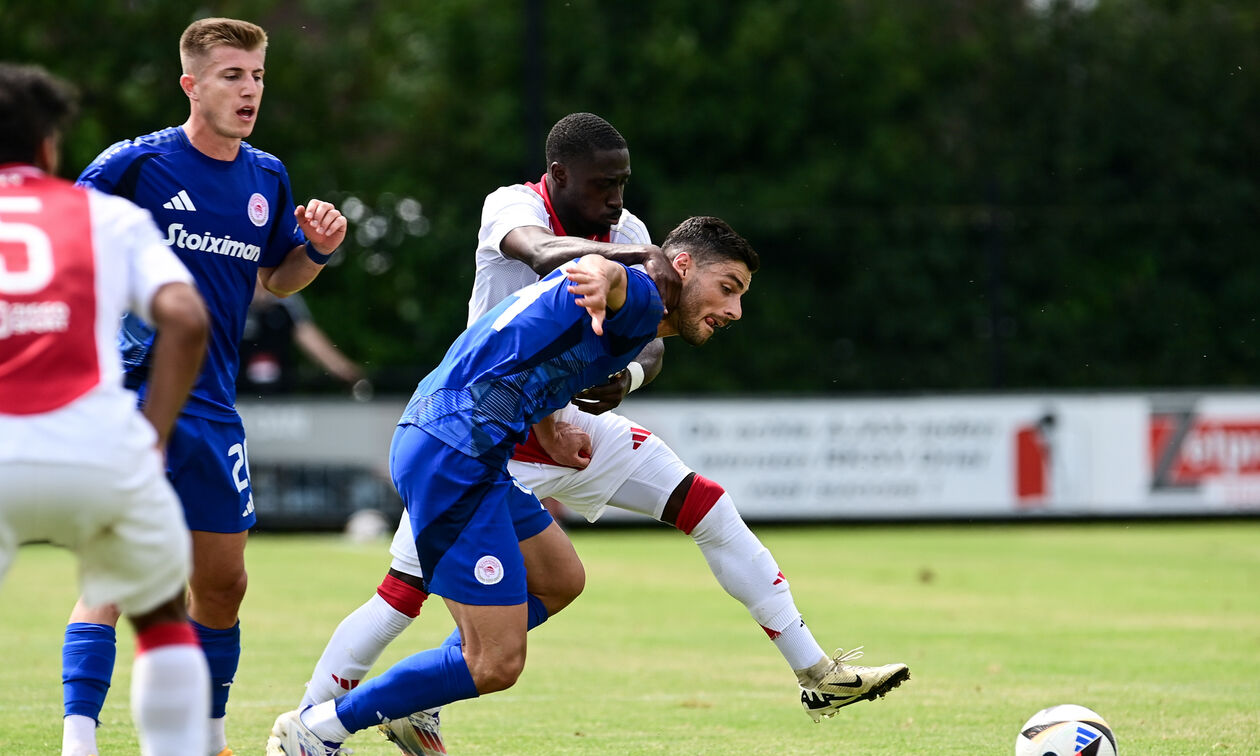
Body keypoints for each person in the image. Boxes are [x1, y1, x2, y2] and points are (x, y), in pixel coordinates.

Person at [294, 113, 908, 756]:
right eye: (603, 185)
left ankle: (817, 674)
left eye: (623, 184)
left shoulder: (633, 241)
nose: (615, 200)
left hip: (538, 424)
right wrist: (611, 272)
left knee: (610, 555)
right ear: (559, 176)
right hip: (468, 434)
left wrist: (626, 376)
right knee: (412, 604)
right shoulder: (526, 212)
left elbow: (646, 339)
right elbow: (556, 260)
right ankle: (312, 725)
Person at [267, 215, 757, 755]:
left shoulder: (639, 306)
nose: (734, 311)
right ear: (682, 266)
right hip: (454, 453)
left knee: (559, 579)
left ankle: (408, 699)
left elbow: (541, 360)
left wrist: (549, 434)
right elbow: (609, 277)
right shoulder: (643, 292)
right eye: (727, 289)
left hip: (464, 447)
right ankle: (319, 729)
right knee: (495, 663)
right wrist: (599, 270)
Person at [58, 17, 348, 756]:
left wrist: (314, 250)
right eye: (231, 75)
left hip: (214, 408)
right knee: (116, 572)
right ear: (191, 84)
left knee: (223, 585)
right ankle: (77, 740)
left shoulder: (268, 177)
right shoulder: (133, 165)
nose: (249, 90)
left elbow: (277, 281)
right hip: (132, 401)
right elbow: (63, 244)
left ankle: (209, 738)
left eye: (255, 76)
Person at [0, 63, 212, 755]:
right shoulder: (106, 215)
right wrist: (149, 436)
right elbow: (184, 318)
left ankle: (77, 745)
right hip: (97, 445)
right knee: (157, 609)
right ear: (49, 147)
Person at [238, 279, 372, 399]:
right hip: (234, 393)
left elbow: (310, 338)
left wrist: (348, 373)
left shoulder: (286, 301)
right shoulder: (231, 298)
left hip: (279, 395)